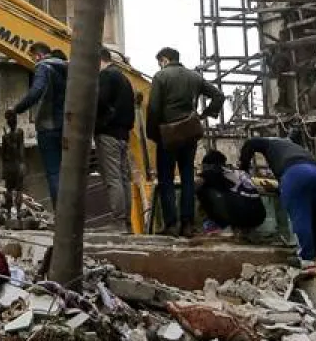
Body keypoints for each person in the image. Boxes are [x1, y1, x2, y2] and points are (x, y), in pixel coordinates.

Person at [145, 48, 225, 237]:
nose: (160, 65)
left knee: (166, 179)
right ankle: (187, 224)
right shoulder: (194, 77)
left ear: (164, 60)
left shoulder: (160, 77)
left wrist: (153, 133)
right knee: (187, 177)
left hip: (168, 134)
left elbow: (154, 108)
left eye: (160, 62)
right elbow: (219, 95)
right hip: (189, 133)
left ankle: (171, 224)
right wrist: (205, 114)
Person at [238, 135, 316, 263]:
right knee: (312, 214)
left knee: (299, 215)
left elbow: (250, 143)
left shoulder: (268, 144)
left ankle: (305, 257)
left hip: (296, 172)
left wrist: (243, 167)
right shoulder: (289, 147)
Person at [5, 45, 68, 203]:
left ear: (39, 55)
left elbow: (36, 91)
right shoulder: (68, 69)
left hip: (49, 127)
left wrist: (16, 109)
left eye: (33, 58)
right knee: (69, 174)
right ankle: (72, 213)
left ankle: (61, 213)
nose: (33, 62)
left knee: (54, 172)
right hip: (69, 127)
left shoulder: (44, 67)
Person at [93, 47, 136, 230]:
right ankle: (126, 222)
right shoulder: (124, 79)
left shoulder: (106, 76)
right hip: (123, 134)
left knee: (113, 179)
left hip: (108, 133)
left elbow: (100, 101)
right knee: (123, 178)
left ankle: (118, 222)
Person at [197, 150, 267, 233]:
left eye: (203, 167)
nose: (202, 169)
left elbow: (196, 183)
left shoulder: (215, 171)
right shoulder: (240, 172)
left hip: (241, 216)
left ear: (209, 166)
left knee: (203, 190)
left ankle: (218, 226)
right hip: (260, 216)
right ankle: (244, 229)